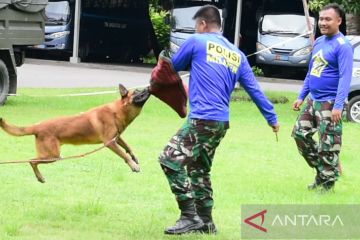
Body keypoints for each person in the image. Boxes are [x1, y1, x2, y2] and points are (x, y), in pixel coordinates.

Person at [157, 5, 279, 235]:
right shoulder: (236, 54)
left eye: (196, 25)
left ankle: (189, 216)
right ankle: (206, 223)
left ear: (203, 24)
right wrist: (272, 118)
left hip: (202, 119)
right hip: (221, 123)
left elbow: (174, 66)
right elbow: (254, 89)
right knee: (199, 170)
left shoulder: (197, 41)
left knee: (169, 159)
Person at [292, 3, 353, 192]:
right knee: (299, 134)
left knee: (329, 144)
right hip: (313, 100)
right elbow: (312, 71)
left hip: (330, 102)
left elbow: (345, 77)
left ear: (339, 21)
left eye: (328, 19)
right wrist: (302, 96)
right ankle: (322, 172)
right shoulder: (319, 42)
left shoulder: (343, 46)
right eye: (321, 19)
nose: (323, 23)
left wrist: (338, 104)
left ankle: (327, 183)